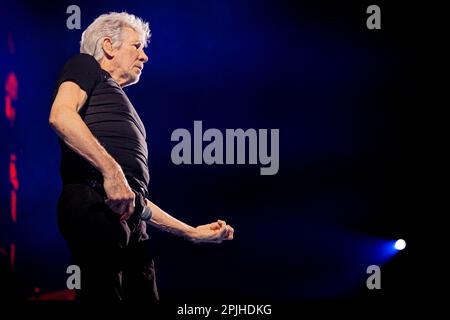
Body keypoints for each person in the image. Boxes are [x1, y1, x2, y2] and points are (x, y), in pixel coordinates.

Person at [49, 12, 234, 302]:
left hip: (130, 222)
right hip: (94, 205)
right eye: (137, 46)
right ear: (109, 46)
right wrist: (112, 172)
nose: (144, 56)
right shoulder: (84, 65)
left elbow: (133, 198)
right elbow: (60, 116)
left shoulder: (121, 105)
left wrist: (191, 233)